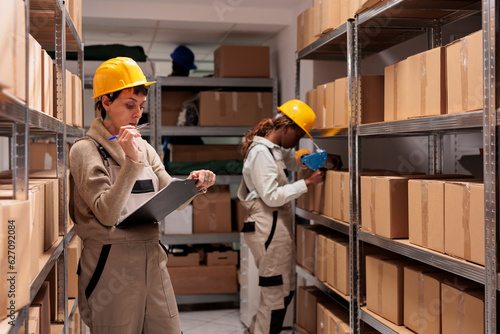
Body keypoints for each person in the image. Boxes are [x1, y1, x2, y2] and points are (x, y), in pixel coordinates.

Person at [69, 57, 215, 334]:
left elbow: (171, 193)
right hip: (111, 265)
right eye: (129, 105)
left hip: (152, 259)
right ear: (105, 103)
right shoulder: (84, 151)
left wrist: (195, 185)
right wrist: (131, 163)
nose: (137, 114)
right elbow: (106, 212)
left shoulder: (145, 147)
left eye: (141, 106)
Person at [237, 99, 325, 334]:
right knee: (276, 294)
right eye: (298, 135)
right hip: (267, 226)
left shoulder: (273, 150)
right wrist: (307, 182)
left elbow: (290, 160)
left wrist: (307, 159)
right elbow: (272, 197)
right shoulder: (261, 154)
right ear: (285, 128)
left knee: (284, 290)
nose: (298, 141)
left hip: (275, 226)